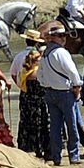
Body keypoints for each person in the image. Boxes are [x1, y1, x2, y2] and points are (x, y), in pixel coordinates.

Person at [37, 23, 83, 165]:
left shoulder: (45, 54)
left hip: (50, 93)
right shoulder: (61, 53)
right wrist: (77, 86)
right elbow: (73, 72)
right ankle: (74, 156)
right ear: (53, 38)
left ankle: (57, 157)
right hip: (65, 93)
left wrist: (47, 85)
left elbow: (40, 77)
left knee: (55, 127)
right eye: (61, 36)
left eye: (64, 35)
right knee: (72, 125)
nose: (64, 38)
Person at [10, 29, 50, 160]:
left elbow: (13, 74)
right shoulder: (40, 57)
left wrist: (22, 86)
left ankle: (26, 147)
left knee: (26, 121)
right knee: (43, 122)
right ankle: (45, 148)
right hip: (40, 98)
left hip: (25, 94)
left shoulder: (18, 56)